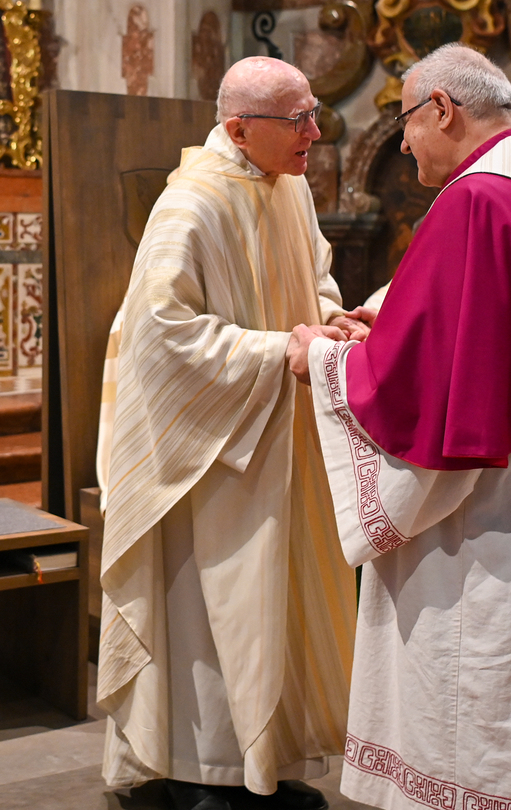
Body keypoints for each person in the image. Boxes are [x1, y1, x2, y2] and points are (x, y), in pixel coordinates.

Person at [287, 44, 511, 810]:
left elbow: (416, 393)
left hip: (497, 517)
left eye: (406, 123)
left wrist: (321, 359)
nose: (405, 143)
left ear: (442, 109)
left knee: (478, 691)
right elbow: (488, 338)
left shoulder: (475, 201)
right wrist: (392, 325)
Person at [97, 57, 360, 810]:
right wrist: (278, 350)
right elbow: (162, 332)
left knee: (275, 608)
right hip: (207, 449)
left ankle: (266, 765)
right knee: (214, 614)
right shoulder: (191, 202)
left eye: (314, 113)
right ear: (240, 129)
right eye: (298, 120)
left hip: (276, 431)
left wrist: (328, 318)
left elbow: (312, 275)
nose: (315, 132)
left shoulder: (290, 187)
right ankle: (199, 771)